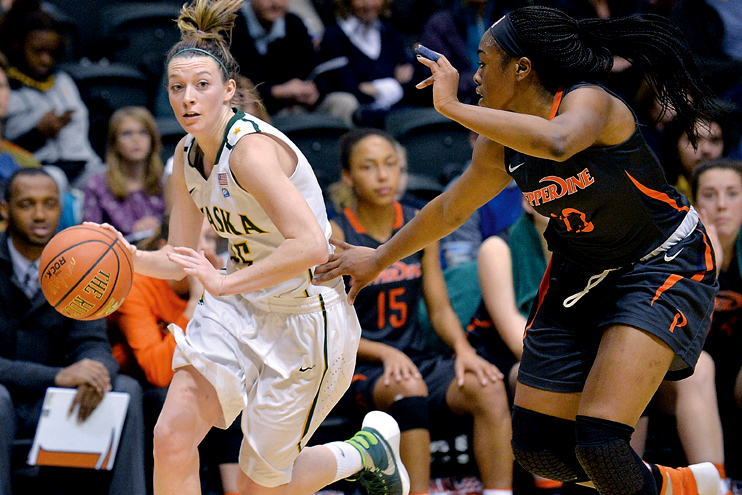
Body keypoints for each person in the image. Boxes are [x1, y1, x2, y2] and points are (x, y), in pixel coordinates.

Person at [313, 6, 724, 495]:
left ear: (523, 68)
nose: (476, 75)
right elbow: (449, 209)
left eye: (485, 63)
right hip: (581, 271)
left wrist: (452, 107)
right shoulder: (499, 143)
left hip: (659, 263)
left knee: (599, 442)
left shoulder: (588, 102)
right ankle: (689, 486)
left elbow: (559, 142)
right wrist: (378, 257)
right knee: (539, 450)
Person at [93, 1, 409, 494]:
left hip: (305, 317)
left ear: (229, 91)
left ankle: (361, 452)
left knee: (255, 489)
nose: (187, 98)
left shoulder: (250, 151)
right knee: (171, 436)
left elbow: (308, 244)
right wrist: (126, 257)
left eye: (202, 86)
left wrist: (222, 280)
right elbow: (180, 256)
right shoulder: (184, 155)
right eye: (177, 87)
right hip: (238, 306)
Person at [468, 200, 728, 492]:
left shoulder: (604, 240)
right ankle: (653, 483)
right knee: (555, 427)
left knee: (692, 368)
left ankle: (716, 483)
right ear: (528, 200)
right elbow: (520, 342)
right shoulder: (499, 248)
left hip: (585, 352)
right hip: (516, 360)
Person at [330, 128, 513, 495]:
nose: (383, 176)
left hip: (414, 360)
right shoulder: (336, 233)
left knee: (488, 385)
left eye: (390, 164)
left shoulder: (417, 223)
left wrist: (463, 351)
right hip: (357, 366)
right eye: (368, 167)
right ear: (348, 177)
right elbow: (329, 327)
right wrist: (387, 351)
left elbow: (440, 307)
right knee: (407, 387)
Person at [0, 167, 146, 495]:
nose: (40, 214)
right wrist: (57, 376)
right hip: (7, 396)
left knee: (125, 390)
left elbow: (93, 342)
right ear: (5, 209)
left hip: (59, 400)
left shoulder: (81, 264)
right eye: (27, 204)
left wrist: (94, 372)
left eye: (50, 204)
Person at [108, 218, 242, 495]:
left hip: (189, 380)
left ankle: (235, 489)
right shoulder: (138, 286)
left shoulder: (222, 281)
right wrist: (196, 301)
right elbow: (157, 371)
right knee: (170, 400)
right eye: (199, 237)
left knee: (234, 391)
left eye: (212, 239)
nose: (207, 248)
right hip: (139, 385)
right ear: (165, 250)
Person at [1, 7, 102, 186]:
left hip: (84, 167)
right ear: (17, 45)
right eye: (38, 51)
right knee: (56, 178)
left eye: (51, 53)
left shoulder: (65, 81)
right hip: (36, 171)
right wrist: (38, 133)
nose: (46, 60)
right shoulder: (7, 88)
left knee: (110, 177)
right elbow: (4, 151)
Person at [692, 159, 742, 485]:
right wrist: (713, 267)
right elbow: (685, 336)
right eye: (709, 195)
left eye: (733, 193)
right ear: (695, 204)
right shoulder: (679, 254)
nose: (722, 205)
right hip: (690, 372)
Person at [315, 0, 415, 127]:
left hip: (396, 111)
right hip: (358, 114)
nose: (368, 4)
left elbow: (408, 77)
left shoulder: (389, 31)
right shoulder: (334, 36)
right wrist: (392, 85)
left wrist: (373, 88)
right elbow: (342, 84)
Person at [82, 106, 166, 243]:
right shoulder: (97, 184)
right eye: (127, 134)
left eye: (143, 133)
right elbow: (89, 239)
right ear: (114, 142)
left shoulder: (166, 180)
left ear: (153, 140)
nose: (136, 139)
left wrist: (160, 229)